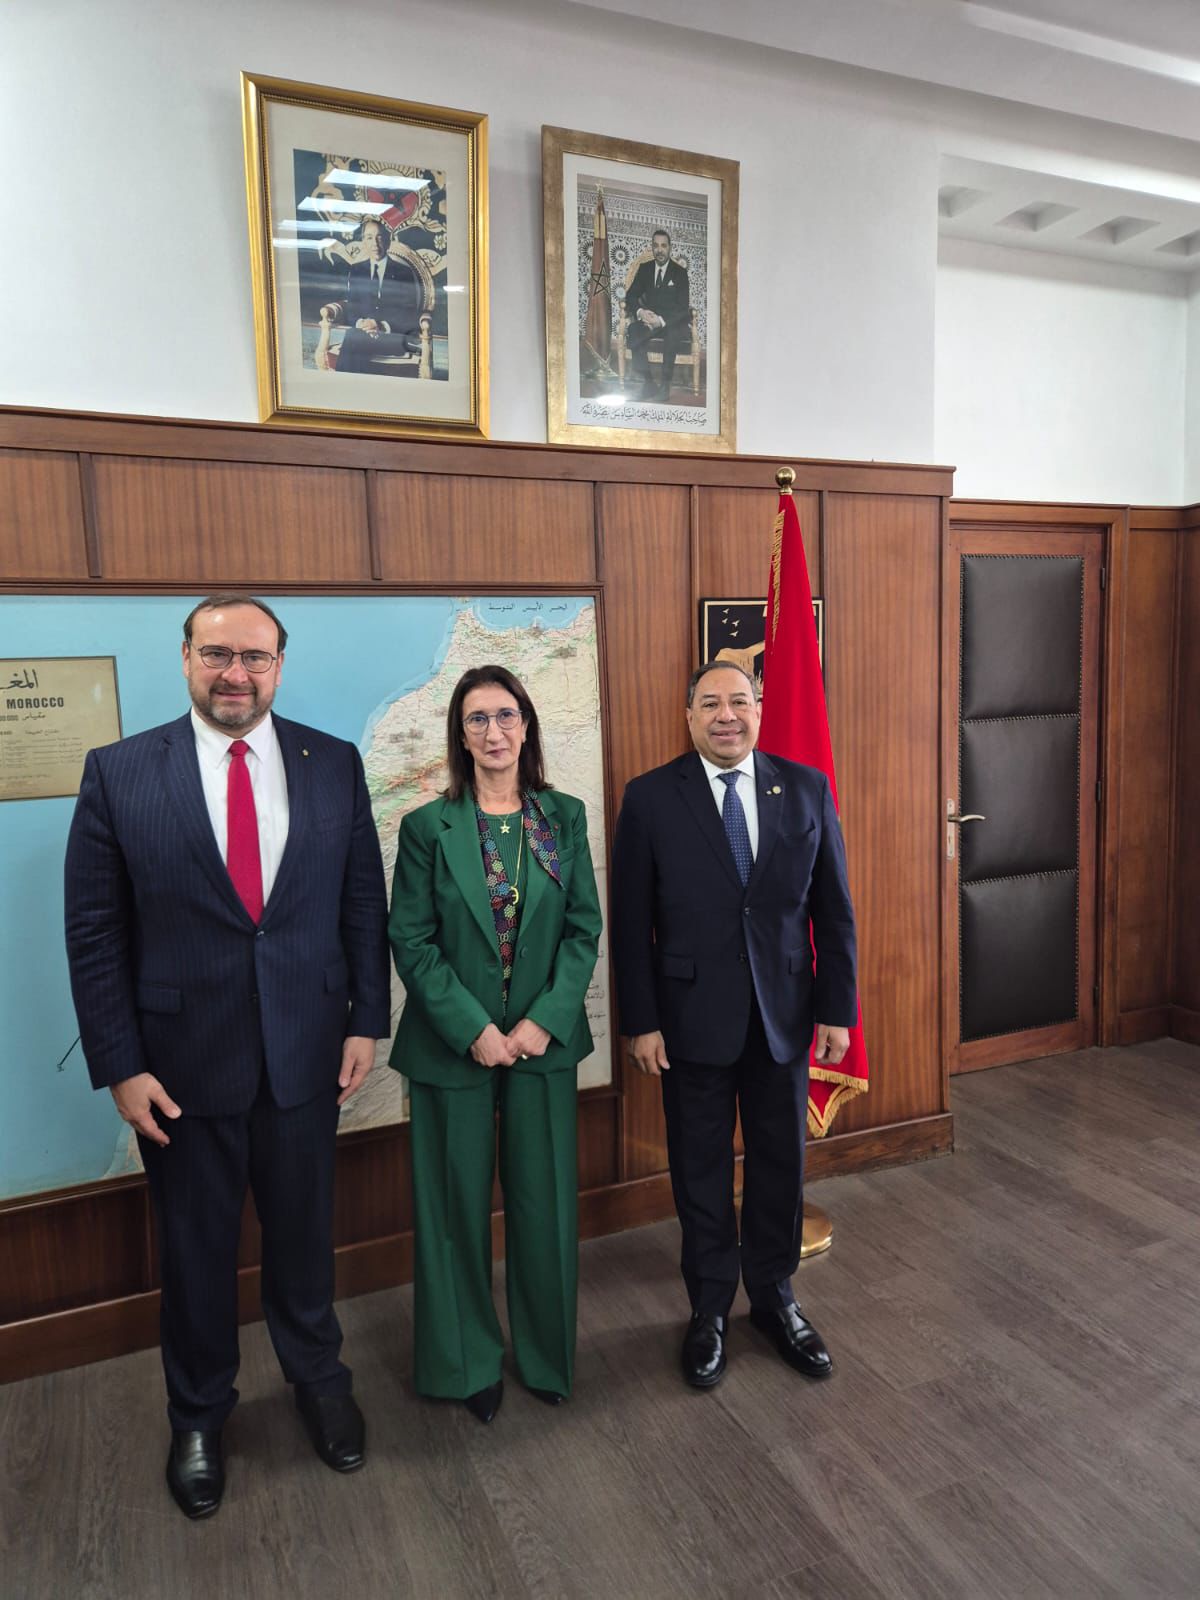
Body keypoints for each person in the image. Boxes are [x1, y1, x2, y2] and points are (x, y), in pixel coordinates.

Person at [63, 593, 390, 1519]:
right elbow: (94, 931)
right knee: (196, 1255)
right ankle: (199, 1414)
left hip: (307, 1058)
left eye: (254, 657)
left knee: (304, 1243)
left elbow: (360, 902)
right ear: (185, 659)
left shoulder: (334, 763)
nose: (235, 674)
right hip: (178, 1070)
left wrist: (365, 1022)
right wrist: (120, 1065)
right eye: (216, 655)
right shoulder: (121, 771)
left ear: (280, 665)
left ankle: (319, 1381)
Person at [610, 662, 857, 1389]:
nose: (727, 715)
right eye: (711, 703)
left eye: (740, 701)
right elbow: (631, 925)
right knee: (701, 1170)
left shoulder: (805, 788)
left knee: (782, 1164)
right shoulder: (651, 798)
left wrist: (838, 1009)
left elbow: (834, 911)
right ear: (689, 715)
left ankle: (776, 1300)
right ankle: (710, 1308)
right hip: (689, 1024)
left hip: (785, 1017)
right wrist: (641, 1022)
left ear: (759, 709)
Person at [387, 665, 602, 1423]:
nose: (493, 731)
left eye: (506, 715)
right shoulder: (427, 828)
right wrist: (473, 1029)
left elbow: (583, 928)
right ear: (461, 734)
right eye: (477, 719)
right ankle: (464, 1362)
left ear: (527, 725)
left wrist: (545, 1018)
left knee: (544, 1206)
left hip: (544, 1043)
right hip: (454, 1048)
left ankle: (546, 1356)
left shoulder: (562, 818)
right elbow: (411, 940)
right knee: (454, 1211)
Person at [329, 218, 423, 374]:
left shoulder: (403, 272)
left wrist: (380, 325)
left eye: (379, 237)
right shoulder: (356, 270)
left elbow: (408, 313)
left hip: (391, 336)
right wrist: (361, 323)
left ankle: (344, 383)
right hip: (362, 333)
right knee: (355, 336)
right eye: (369, 238)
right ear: (364, 242)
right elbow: (352, 307)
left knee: (353, 338)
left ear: (387, 240)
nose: (375, 243)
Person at [623, 228, 690, 401]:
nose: (659, 250)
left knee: (673, 333)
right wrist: (641, 312)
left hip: (670, 323)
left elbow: (683, 308)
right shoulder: (645, 269)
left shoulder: (680, 273)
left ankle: (665, 385)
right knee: (634, 330)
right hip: (649, 321)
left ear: (670, 248)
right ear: (652, 247)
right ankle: (649, 383)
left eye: (663, 246)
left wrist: (661, 321)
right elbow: (630, 296)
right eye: (656, 246)